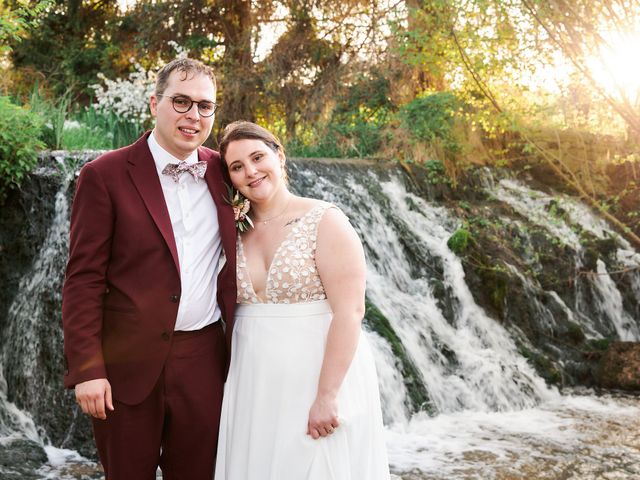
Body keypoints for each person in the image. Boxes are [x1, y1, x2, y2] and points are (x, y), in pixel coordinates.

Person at [61, 58, 237, 479]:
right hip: (125, 367)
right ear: (155, 103)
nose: (193, 115)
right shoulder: (103, 175)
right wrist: (87, 370)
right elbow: (83, 280)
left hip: (204, 361)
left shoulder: (226, 173)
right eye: (181, 102)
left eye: (205, 106)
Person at [214, 121, 390, 479]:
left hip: (317, 375)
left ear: (279, 156)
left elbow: (350, 312)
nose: (250, 171)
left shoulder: (325, 220)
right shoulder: (231, 230)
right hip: (252, 379)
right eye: (236, 167)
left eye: (258, 157)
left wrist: (327, 395)